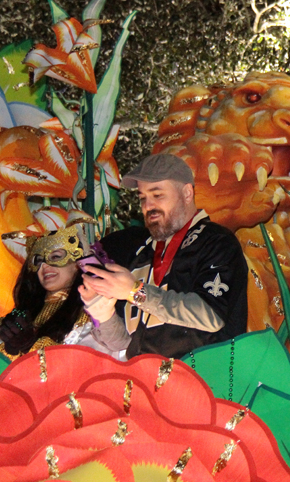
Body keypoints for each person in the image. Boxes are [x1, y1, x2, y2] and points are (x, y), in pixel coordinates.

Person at [80, 153, 248, 359]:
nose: (148, 205)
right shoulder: (142, 253)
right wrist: (101, 309)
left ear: (187, 193)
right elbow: (124, 344)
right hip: (142, 383)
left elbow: (211, 315)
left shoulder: (216, 241)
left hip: (202, 381)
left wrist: (136, 292)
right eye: (142, 198)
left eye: (157, 195)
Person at [0, 222, 115, 360]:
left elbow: (86, 361)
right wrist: (10, 350)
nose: (45, 265)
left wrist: (32, 347)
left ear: (78, 262)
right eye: (39, 260)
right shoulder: (22, 316)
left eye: (56, 257)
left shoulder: (93, 313)